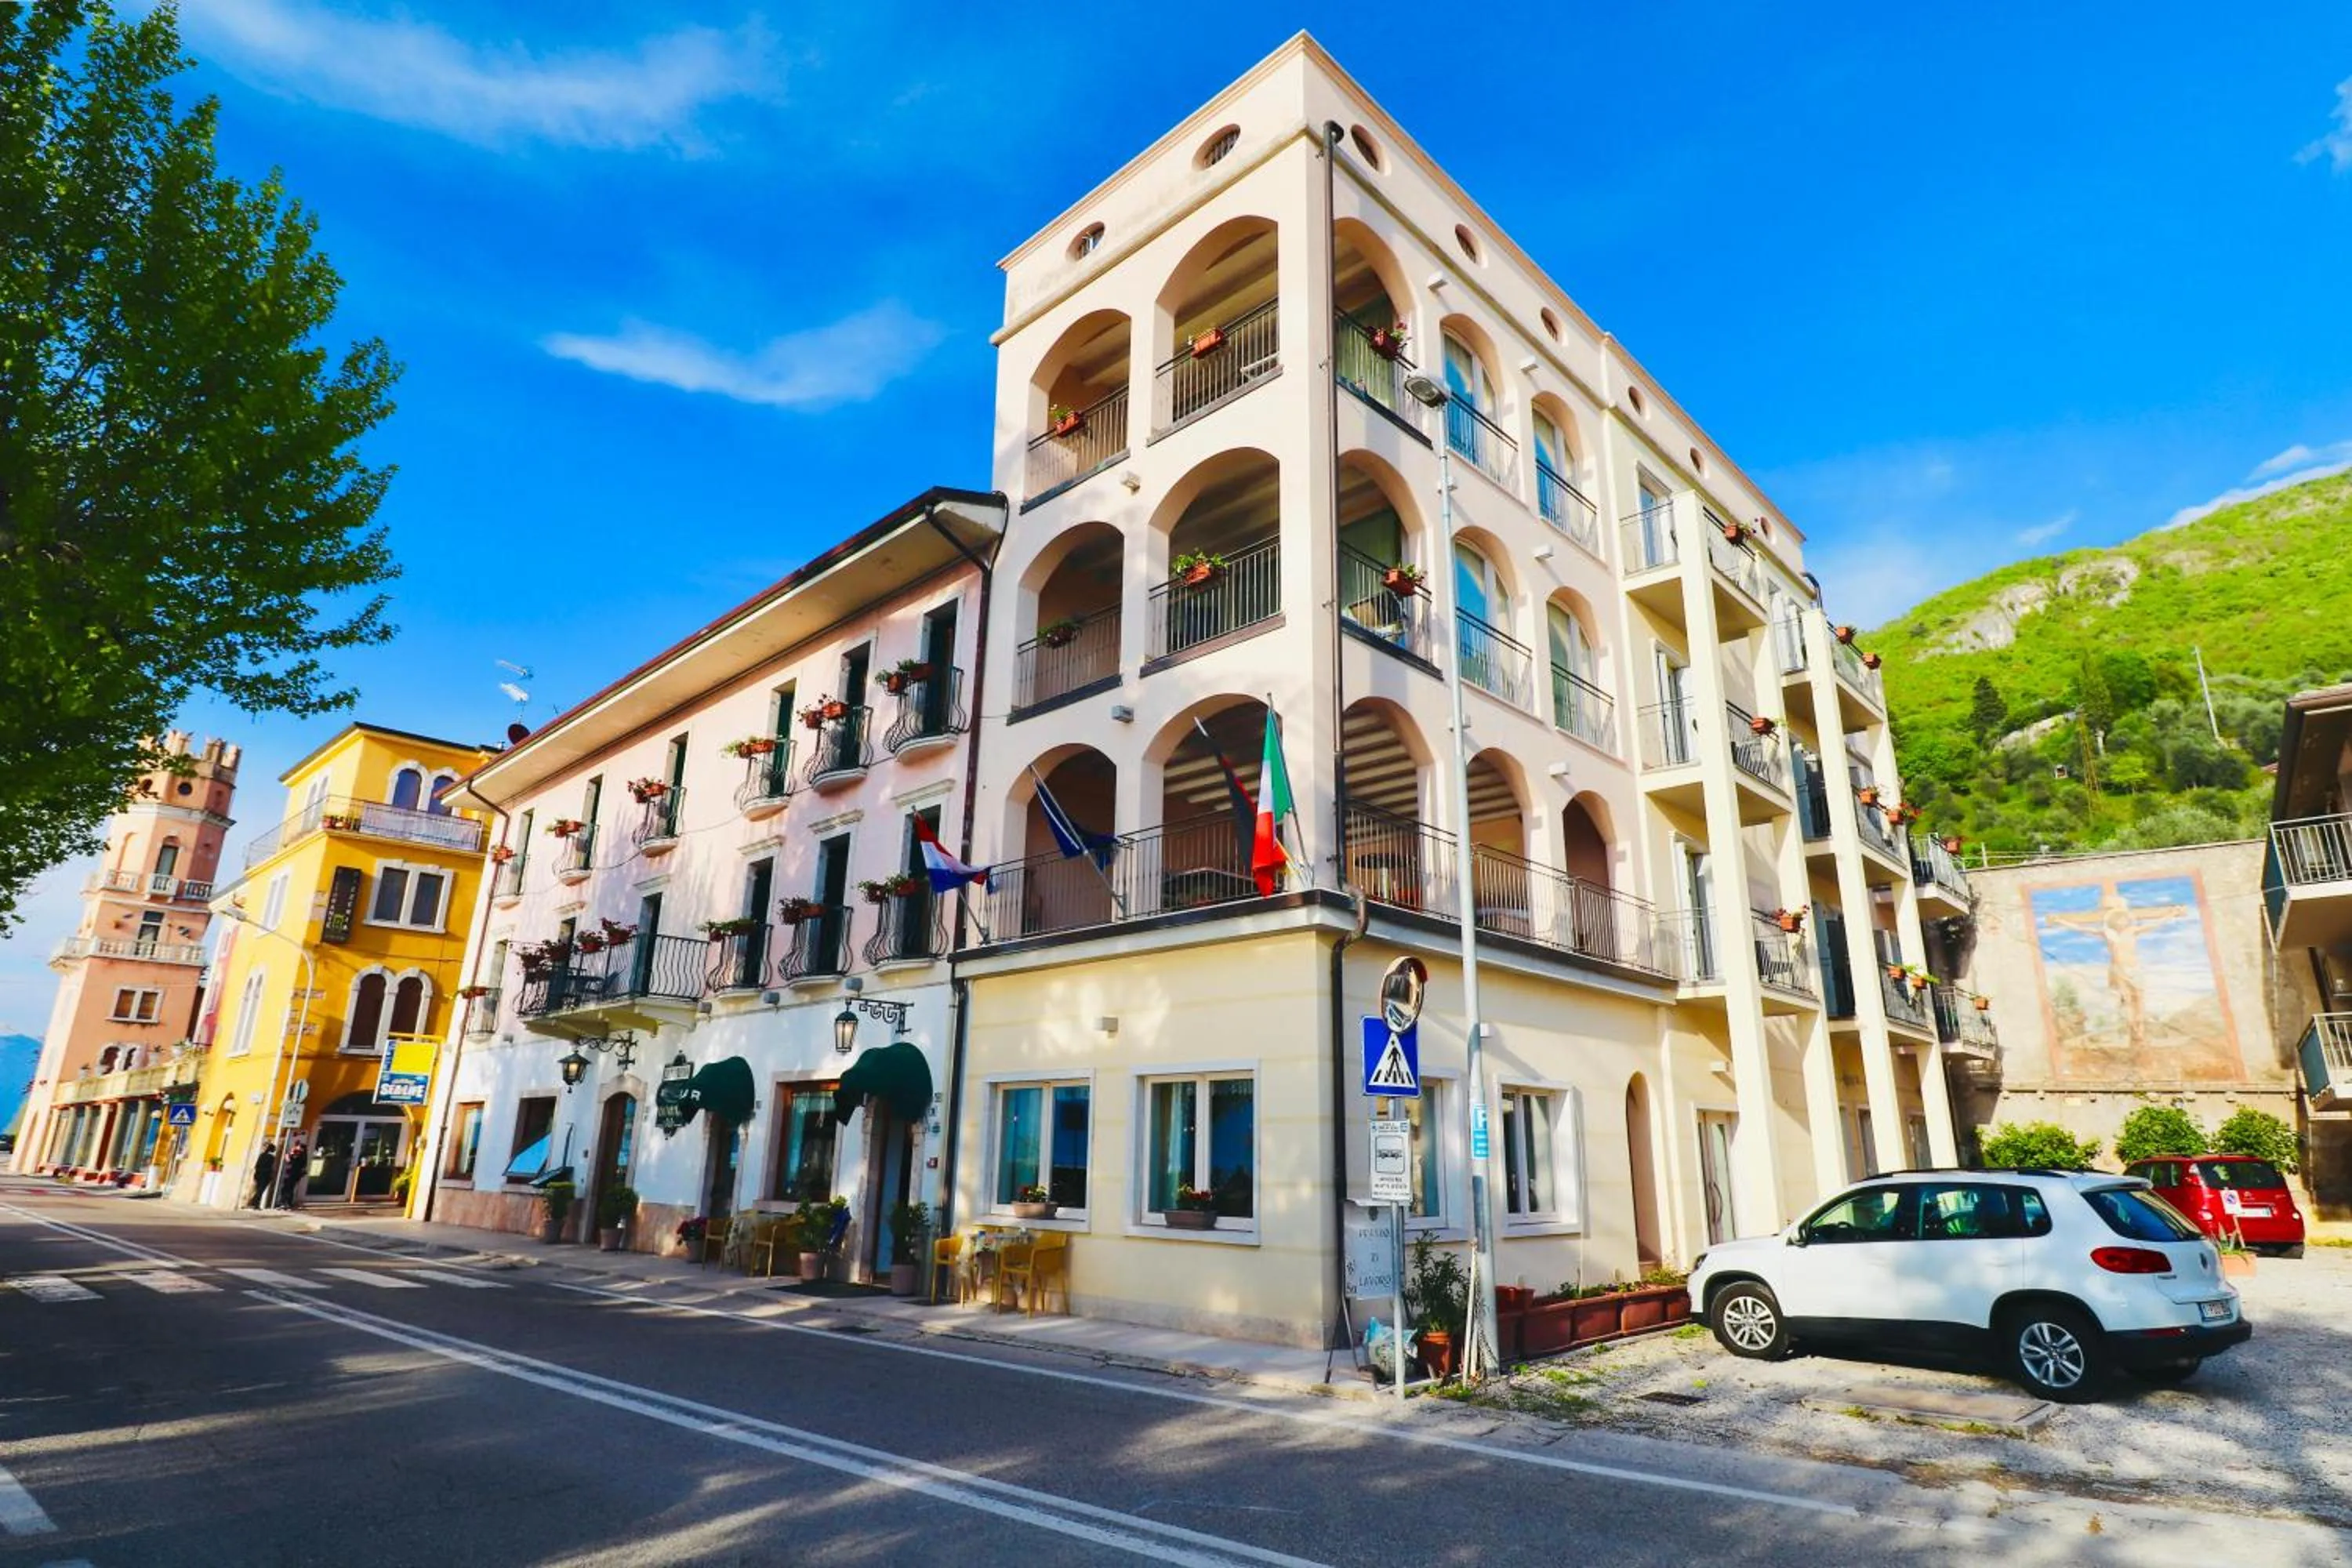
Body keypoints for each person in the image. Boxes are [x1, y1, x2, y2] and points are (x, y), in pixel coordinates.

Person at [277, 1135, 308, 1210]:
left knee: (287, 1188)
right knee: (290, 1188)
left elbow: (289, 1161)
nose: (296, 1148)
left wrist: (288, 1155)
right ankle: (288, 1203)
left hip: (292, 1173)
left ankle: (285, 1203)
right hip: (295, 1174)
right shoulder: (303, 1156)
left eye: (298, 1147)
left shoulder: (299, 1155)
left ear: (301, 1149)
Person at [249, 1140, 279, 1210]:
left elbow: (257, 1165)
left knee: (258, 1189)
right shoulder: (272, 1158)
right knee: (261, 1190)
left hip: (258, 1174)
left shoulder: (261, 1155)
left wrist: (257, 1173)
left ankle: (256, 1204)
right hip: (266, 1175)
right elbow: (272, 1167)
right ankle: (254, 1202)